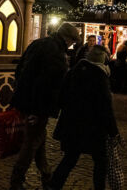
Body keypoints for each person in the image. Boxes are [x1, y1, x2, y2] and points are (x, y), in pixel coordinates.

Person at [9, 22, 81, 190]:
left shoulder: (39, 43)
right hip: (37, 106)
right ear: (67, 38)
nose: (72, 45)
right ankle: (16, 181)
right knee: (31, 142)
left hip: (25, 100)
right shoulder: (56, 54)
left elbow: (20, 69)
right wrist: (36, 111)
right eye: (72, 41)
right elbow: (46, 86)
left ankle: (47, 175)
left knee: (38, 140)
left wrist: (20, 92)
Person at [47, 46, 119, 190]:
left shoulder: (73, 72)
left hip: (72, 125)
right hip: (93, 128)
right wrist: (113, 131)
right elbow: (105, 107)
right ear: (103, 60)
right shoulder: (100, 76)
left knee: (70, 158)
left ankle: (54, 186)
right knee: (100, 161)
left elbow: (60, 99)